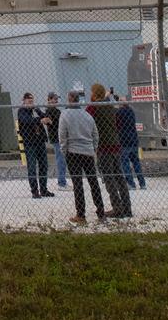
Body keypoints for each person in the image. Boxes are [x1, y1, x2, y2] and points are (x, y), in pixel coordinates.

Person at [58, 86, 105, 224]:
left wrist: (64, 150)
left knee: (77, 183)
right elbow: (95, 134)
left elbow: (62, 135)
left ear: (69, 99)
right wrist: (93, 147)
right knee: (93, 182)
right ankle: (101, 212)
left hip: (73, 152)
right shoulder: (87, 115)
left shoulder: (65, 115)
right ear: (78, 100)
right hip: (88, 152)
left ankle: (81, 214)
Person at [88, 83, 133, 219]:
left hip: (104, 146)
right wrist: (106, 98)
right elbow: (118, 124)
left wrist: (100, 99)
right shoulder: (111, 107)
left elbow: (87, 112)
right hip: (115, 145)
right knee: (119, 177)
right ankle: (127, 207)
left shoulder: (95, 107)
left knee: (109, 178)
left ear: (94, 94)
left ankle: (117, 208)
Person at [16, 93, 53, 198]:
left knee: (43, 165)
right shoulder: (21, 111)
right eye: (29, 101)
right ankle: (34, 191)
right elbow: (26, 121)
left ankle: (44, 189)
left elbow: (44, 117)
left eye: (32, 101)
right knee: (32, 167)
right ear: (24, 100)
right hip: (30, 143)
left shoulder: (35, 110)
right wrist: (40, 120)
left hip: (40, 141)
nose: (31, 103)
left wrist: (45, 117)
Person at [115, 93, 147, 191]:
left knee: (125, 163)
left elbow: (117, 123)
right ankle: (142, 183)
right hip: (133, 139)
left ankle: (131, 184)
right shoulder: (131, 111)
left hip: (124, 140)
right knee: (136, 162)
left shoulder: (118, 113)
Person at [44, 93, 67, 192]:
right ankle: (61, 183)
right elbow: (52, 123)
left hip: (59, 138)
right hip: (56, 138)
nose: (56, 101)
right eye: (54, 99)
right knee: (60, 160)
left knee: (62, 160)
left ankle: (62, 181)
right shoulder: (50, 111)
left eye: (57, 99)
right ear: (49, 99)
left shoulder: (56, 111)